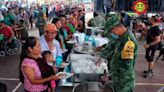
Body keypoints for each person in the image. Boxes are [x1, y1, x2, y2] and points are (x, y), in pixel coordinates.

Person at [96, 14, 138, 92]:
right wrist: (102, 57)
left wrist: (110, 76)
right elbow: (111, 45)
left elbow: (126, 67)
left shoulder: (128, 42)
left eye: (111, 31)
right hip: (117, 79)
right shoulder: (121, 37)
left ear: (116, 28)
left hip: (124, 83)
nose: (112, 33)